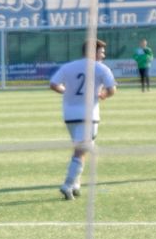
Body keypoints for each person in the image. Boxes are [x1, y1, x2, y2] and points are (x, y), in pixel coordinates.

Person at [49, 39, 117, 200]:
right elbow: (112, 89)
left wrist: (65, 91)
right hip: (89, 115)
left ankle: (76, 185)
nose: (103, 55)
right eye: (101, 52)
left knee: (82, 149)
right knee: (81, 151)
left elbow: (53, 84)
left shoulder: (68, 66)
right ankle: (67, 185)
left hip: (69, 115)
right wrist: (103, 94)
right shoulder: (101, 68)